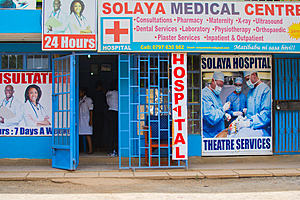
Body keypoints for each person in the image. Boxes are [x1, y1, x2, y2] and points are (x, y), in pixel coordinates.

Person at [237, 71, 271, 136]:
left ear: (254, 75)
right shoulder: (250, 91)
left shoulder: (265, 90)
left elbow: (267, 114)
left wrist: (249, 123)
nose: (247, 83)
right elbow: (251, 112)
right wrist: (244, 118)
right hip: (251, 128)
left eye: (248, 79)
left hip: (261, 129)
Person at [202, 72, 231, 138]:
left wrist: (224, 115)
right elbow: (212, 118)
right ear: (213, 81)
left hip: (219, 133)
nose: (220, 88)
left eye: (221, 86)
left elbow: (217, 110)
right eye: (219, 85)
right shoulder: (205, 95)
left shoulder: (216, 95)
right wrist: (223, 109)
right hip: (210, 135)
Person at [93, 80, 107, 152]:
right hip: (99, 114)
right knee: (99, 131)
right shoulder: (101, 95)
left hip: (98, 114)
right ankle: (98, 145)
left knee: (98, 131)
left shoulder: (95, 95)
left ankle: (97, 145)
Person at [79, 88, 93, 154]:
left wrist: (90, 120)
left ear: (84, 92)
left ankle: (90, 149)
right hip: (80, 119)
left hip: (86, 119)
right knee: (79, 134)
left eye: (80, 92)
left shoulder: (88, 100)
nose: (79, 93)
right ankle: (80, 149)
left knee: (88, 134)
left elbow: (91, 110)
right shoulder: (79, 100)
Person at [106, 81, 118, 156]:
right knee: (115, 133)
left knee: (110, 132)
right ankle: (114, 150)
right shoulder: (116, 93)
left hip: (109, 112)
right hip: (116, 112)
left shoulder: (108, 93)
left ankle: (110, 150)